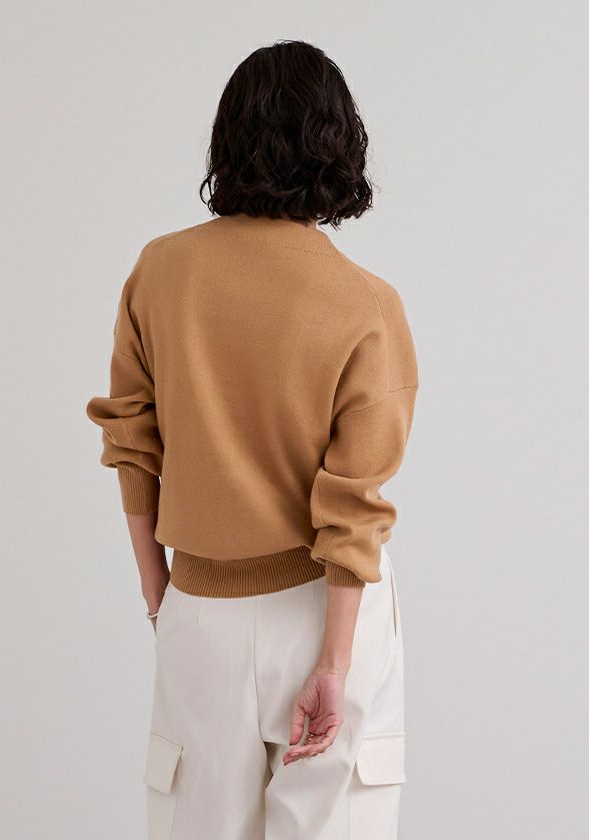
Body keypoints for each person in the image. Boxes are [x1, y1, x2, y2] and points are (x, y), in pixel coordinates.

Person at [86, 39, 418, 840]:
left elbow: (132, 442)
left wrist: (160, 593)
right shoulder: (367, 304)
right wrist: (333, 663)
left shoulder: (158, 273)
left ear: (227, 140)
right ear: (339, 145)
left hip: (200, 611)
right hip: (326, 610)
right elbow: (355, 505)